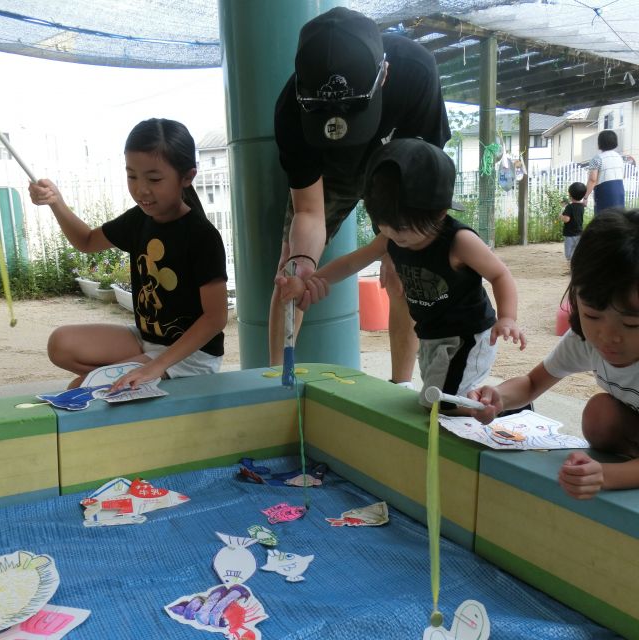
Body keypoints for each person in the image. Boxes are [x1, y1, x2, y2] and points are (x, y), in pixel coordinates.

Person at [270, 6, 451, 388]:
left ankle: (399, 386)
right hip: (329, 175)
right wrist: (303, 260)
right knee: (289, 274)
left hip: (394, 164)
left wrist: (393, 246)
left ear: (383, 73)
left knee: (404, 270)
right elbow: (309, 210)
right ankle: (276, 382)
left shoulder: (415, 73)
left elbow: (426, 173)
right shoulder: (289, 109)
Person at [279, 138, 525, 411]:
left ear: (440, 212)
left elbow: (500, 275)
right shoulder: (391, 237)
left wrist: (507, 317)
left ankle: (512, 406)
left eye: (404, 227)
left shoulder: (459, 241)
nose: (396, 235)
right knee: (434, 401)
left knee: (445, 404)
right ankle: (505, 406)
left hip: (468, 335)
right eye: (386, 225)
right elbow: (350, 263)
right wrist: (311, 281)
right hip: (431, 333)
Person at [28, 118, 228, 390]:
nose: (141, 189)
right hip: (145, 339)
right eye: (131, 175)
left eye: (154, 178)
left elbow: (215, 319)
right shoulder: (138, 220)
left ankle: (138, 378)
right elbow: (86, 241)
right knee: (61, 345)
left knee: (81, 389)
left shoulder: (201, 235)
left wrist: (155, 367)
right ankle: (133, 374)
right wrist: (56, 202)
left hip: (191, 356)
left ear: (187, 177)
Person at [468, 209, 639, 498]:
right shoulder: (585, 340)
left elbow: (605, 477)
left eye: (632, 323)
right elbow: (534, 383)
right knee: (599, 416)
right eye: (592, 316)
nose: (608, 338)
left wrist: (607, 476)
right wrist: (498, 398)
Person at [584, 130, 625, 215]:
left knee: (603, 221)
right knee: (619, 219)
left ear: (599, 143)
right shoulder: (619, 157)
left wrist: (585, 197)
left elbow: (592, 180)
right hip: (619, 191)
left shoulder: (597, 159)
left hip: (605, 192)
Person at [559, 181, 586, 268]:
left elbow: (567, 219)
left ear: (570, 195)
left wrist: (561, 216)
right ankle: (578, 265)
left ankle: (572, 267)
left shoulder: (569, 207)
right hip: (579, 232)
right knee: (577, 250)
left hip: (570, 234)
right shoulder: (582, 206)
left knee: (569, 252)